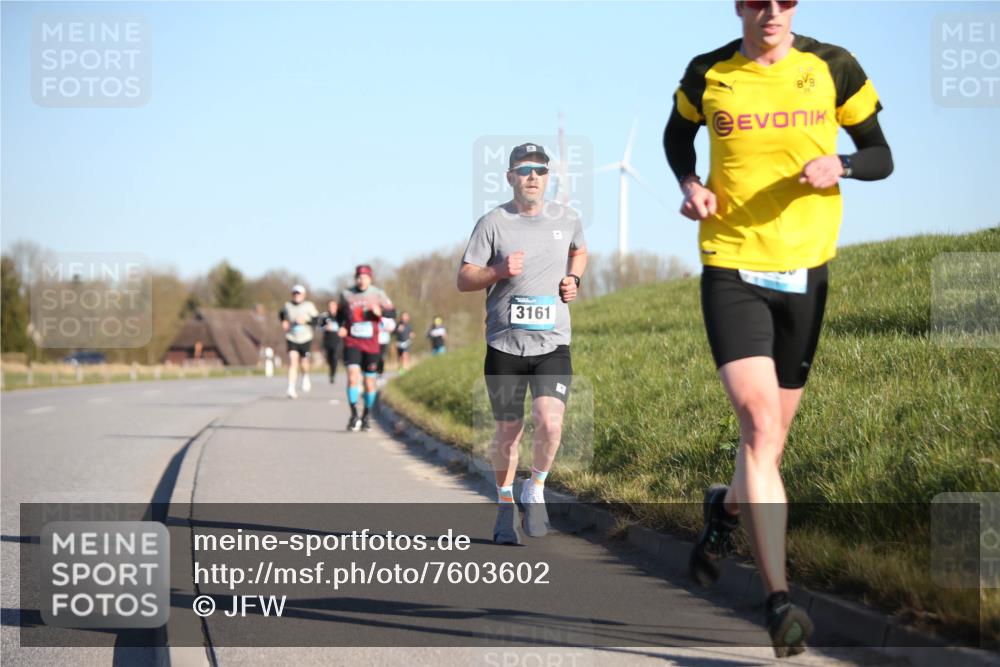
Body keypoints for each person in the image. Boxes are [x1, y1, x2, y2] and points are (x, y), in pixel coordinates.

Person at [663, 0, 893, 657]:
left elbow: (881, 154)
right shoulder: (709, 73)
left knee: (770, 444)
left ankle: (725, 509)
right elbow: (677, 135)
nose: (771, 12)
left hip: (806, 273)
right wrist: (691, 181)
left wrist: (843, 165)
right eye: (758, 1)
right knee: (759, 426)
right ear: (739, 7)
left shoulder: (833, 66)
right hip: (731, 263)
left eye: (784, 1)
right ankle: (779, 601)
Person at [458, 142, 587, 545]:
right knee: (508, 433)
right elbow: (464, 279)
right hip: (504, 346)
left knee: (550, 423)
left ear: (549, 177)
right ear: (511, 177)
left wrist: (574, 279)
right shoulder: (492, 223)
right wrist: (498, 270)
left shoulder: (567, 218)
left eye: (540, 170)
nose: (533, 176)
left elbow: (579, 250)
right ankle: (504, 506)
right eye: (525, 169)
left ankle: (536, 486)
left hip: (552, 343)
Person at [337, 265, 395, 432]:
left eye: (364, 277)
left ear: (370, 278)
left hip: (371, 344)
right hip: (352, 341)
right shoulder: (347, 294)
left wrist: (380, 312)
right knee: (353, 376)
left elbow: (392, 314)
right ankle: (354, 414)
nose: (361, 279)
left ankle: (366, 415)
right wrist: (341, 325)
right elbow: (340, 315)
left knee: (369, 383)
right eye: (358, 276)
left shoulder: (378, 294)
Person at [279, 285, 320, 399]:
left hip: (305, 337)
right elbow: (281, 314)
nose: (296, 296)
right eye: (295, 293)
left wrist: (305, 320)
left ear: (303, 295)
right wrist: (284, 322)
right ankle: (291, 387)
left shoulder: (309, 306)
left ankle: (305, 377)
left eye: (299, 294)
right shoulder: (287, 306)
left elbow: (316, 320)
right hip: (292, 337)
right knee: (293, 361)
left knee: (304, 362)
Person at [316, 300, 342, 384]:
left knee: (335, 357)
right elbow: (317, 327)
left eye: (333, 306)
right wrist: (325, 328)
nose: (332, 308)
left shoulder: (340, 316)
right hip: (327, 340)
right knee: (329, 359)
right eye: (330, 306)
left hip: (338, 340)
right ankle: (331, 371)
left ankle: (333, 374)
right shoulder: (324, 316)